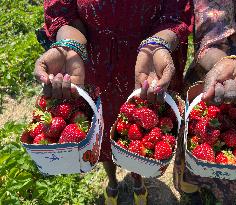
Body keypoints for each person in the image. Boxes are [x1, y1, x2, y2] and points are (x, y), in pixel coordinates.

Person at [34, 1, 193, 204]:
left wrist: (158, 44)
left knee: (141, 133)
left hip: (147, 67)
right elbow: (64, 13)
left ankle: (138, 179)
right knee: (102, 130)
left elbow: (175, 13)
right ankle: (112, 181)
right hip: (89, 66)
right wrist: (68, 46)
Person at [173, 0, 236, 204]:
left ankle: (229, 194)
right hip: (219, 93)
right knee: (200, 147)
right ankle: (191, 191)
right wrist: (225, 63)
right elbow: (210, 41)